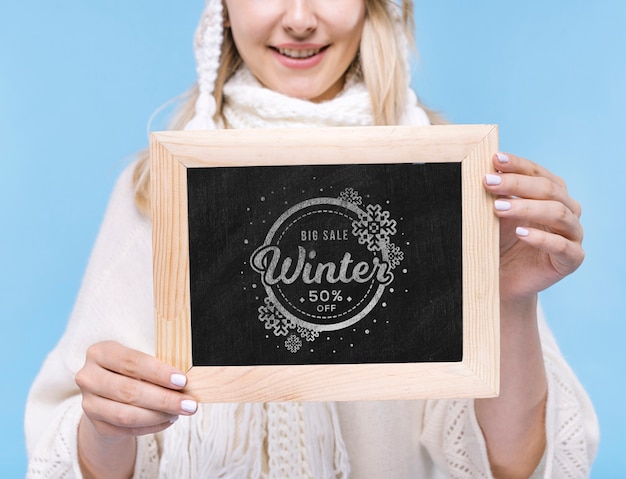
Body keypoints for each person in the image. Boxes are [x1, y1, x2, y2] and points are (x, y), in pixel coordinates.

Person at [25, 0, 599, 477]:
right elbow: (73, 455)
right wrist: (105, 422)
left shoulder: (447, 176)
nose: (299, 19)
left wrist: (510, 300)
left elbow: (523, 466)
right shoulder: (158, 189)